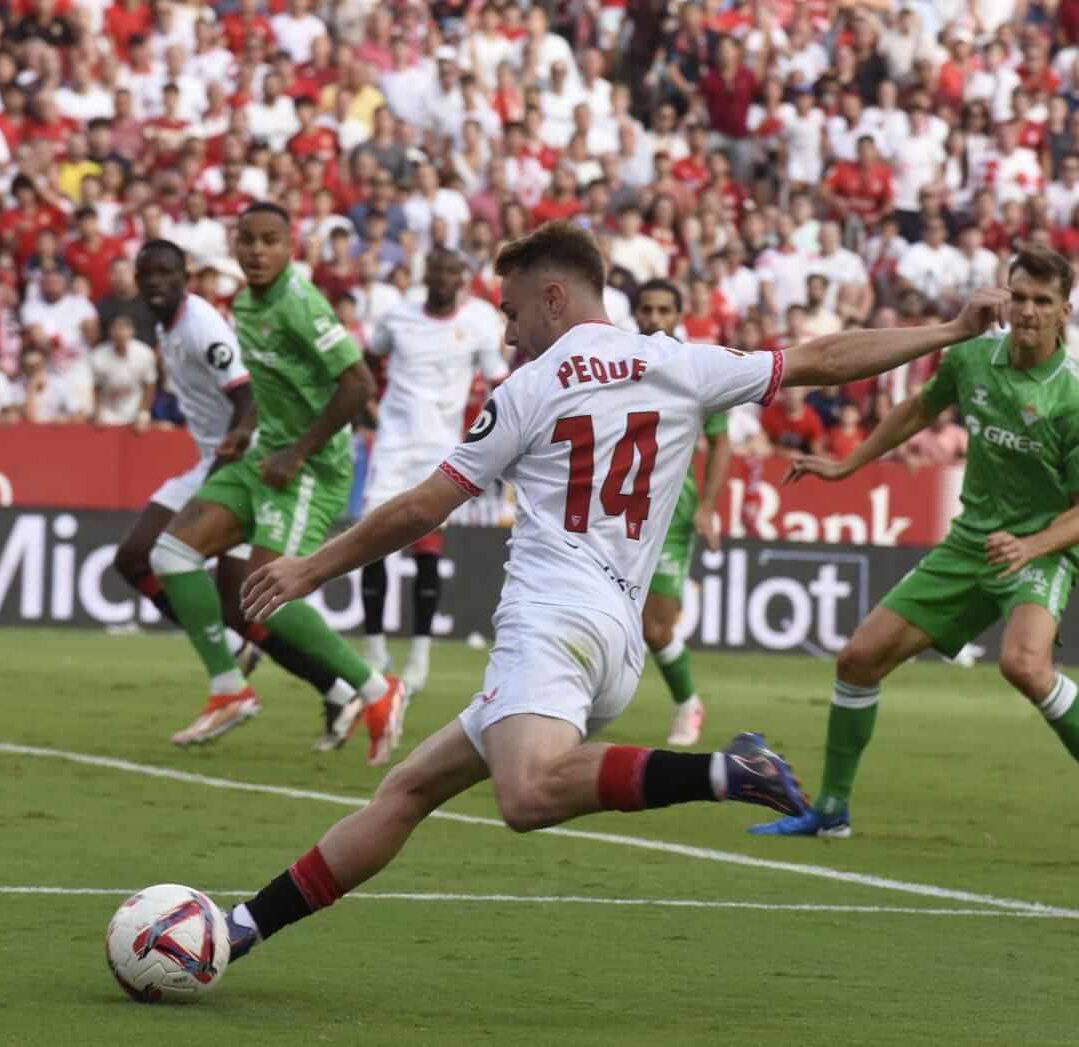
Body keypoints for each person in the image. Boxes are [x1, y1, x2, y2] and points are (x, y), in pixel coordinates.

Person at [220, 221, 1013, 962]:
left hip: (550, 622)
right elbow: (821, 358)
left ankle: (728, 770)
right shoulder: (679, 361)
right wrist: (947, 331)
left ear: (555, 297)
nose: (508, 332)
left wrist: (307, 569)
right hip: (613, 642)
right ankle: (238, 928)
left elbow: (426, 504)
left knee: (525, 795)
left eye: (513, 311)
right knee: (406, 790)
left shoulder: (531, 388)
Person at [748, 247, 1079, 856]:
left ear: (1066, 311)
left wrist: (1031, 545)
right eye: (1019, 296)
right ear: (1004, 297)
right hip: (972, 541)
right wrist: (845, 465)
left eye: (1043, 301)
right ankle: (830, 810)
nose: (1028, 311)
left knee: (1023, 665)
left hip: (1042, 549)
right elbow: (917, 409)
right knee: (858, 660)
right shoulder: (969, 355)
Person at [146, 206, 405, 762]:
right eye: (248, 242)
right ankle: (228, 688)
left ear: (291, 247)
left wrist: (299, 450)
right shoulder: (244, 303)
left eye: (270, 242)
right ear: (235, 246)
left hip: (309, 467)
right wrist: (245, 429)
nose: (258, 252)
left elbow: (359, 386)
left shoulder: (300, 304)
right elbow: (267, 385)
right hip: (265, 455)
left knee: (265, 596)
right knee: (169, 554)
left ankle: (377, 687)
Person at [359, 248, 509, 697]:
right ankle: (373, 648)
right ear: (426, 273)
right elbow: (369, 360)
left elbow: (499, 383)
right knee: (371, 542)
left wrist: (492, 435)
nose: (443, 276)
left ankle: (420, 654)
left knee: (425, 548)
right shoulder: (397, 317)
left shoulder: (481, 322)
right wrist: (373, 404)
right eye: (437, 268)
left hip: (440, 450)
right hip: (391, 445)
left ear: (462, 278)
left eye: (452, 270)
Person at [631, 278, 732, 746]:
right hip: (614, 509)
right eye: (646, 309)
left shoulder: (696, 370)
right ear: (634, 314)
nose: (654, 318)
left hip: (671, 512)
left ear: (678, 315)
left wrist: (708, 507)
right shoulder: (617, 365)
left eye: (664, 310)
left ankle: (687, 703)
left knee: (656, 627)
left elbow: (720, 441)